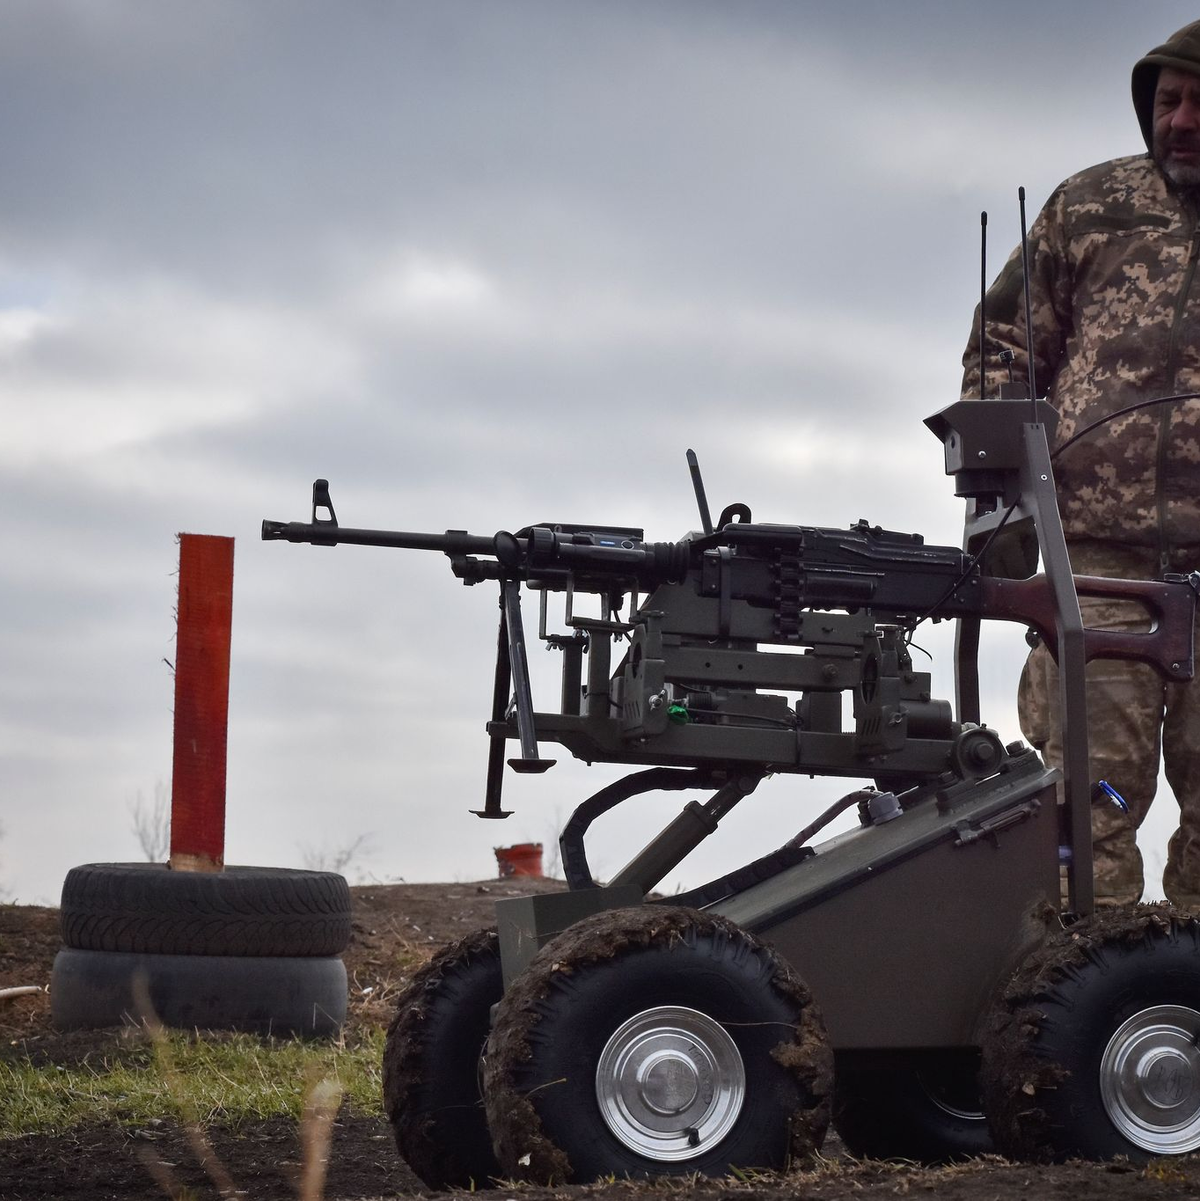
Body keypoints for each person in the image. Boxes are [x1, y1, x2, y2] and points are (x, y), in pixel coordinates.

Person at [960, 20, 1200, 907]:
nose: (1180, 119)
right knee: (1089, 801)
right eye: (1167, 100)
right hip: (1095, 570)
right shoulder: (1092, 205)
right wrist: (1007, 511)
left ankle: (1179, 1012)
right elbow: (1002, 348)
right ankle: (1081, 1010)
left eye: (1198, 101)